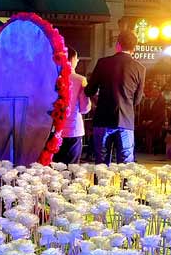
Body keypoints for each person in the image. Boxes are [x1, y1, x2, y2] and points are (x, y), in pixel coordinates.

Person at [86, 30, 146, 164]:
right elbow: (137, 100)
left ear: (118, 45)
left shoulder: (103, 63)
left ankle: (101, 185)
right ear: (134, 48)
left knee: (101, 164)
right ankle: (124, 186)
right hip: (126, 121)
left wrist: (97, 100)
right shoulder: (140, 68)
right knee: (126, 166)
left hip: (103, 119)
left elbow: (89, 91)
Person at [53, 48, 91, 164]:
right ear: (73, 59)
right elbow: (85, 108)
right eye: (77, 58)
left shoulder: (53, 79)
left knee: (55, 170)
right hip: (74, 130)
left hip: (56, 130)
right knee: (72, 170)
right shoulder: (81, 80)